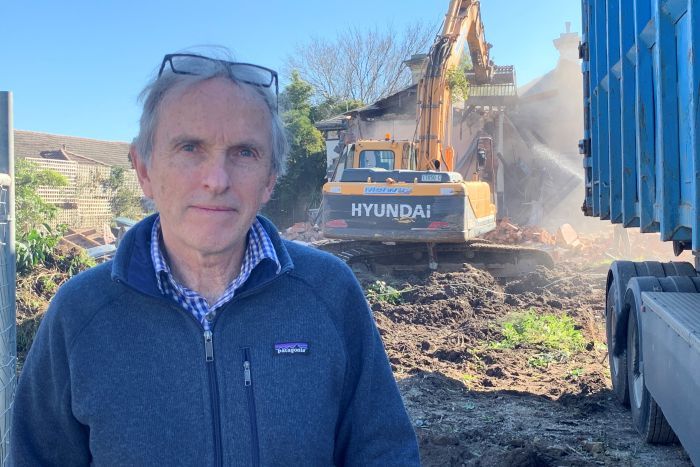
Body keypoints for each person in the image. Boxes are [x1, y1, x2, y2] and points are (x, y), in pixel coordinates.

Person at [10, 51, 420, 466]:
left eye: (244, 153)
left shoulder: (329, 292)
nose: (217, 180)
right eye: (190, 147)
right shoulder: (80, 313)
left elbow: (384, 451)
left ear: (269, 180)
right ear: (144, 170)